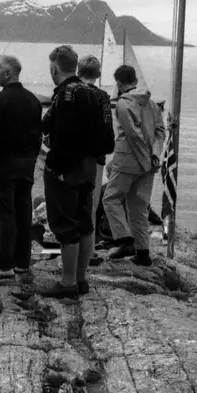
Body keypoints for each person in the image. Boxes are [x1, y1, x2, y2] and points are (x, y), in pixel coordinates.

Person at [27, 45, 100, 299]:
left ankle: (67, 282)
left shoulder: (66, 94)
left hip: (67, 171)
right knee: (85, 223)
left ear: (54, 67)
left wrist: (55, 166)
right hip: (88, 168)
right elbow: (103, 136)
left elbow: (65, 134)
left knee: (66, 225)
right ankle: (81, 279)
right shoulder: (93, 93)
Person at [0, 55, 43, 283]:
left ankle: (5, 264)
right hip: (26, 167)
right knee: (24, 213)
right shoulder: (33, 101)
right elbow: (38, 136)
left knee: (4, 215)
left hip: (2, 168)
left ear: (7, 73)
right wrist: (32, 159)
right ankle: (22, 263)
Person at [103, 64, 166, 266]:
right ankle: (143, 252)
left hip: (129, 160)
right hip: (149, 163)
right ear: (136, 81)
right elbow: (160, 132)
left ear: (119, 84)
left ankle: (124, 239)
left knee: (111, 198)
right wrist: (155, 156)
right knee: (138, 207)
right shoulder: (153, 104)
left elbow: (132, 135)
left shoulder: (123, 104)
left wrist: (144, 160)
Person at [77, 54, 111, 266]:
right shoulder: (103, 97)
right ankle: (88, 252)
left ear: (79, 72)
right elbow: (107, 130)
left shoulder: (69, 91)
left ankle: (72, 251)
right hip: (95, 158)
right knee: (91, 203)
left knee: (72, 204)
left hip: (73, 157)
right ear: (98, 74)